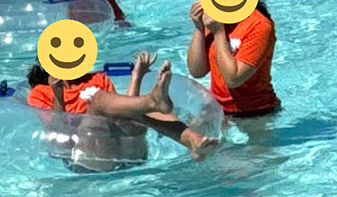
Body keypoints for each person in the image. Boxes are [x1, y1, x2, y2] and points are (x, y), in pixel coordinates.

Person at [27, 53, 218, 172]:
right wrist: (58, 96)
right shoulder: (40, 92)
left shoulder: (97, 78)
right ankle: (154, 101)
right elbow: (56, 132)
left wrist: (137, 76)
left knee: (139, 110)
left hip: (126, 153)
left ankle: (192, 140)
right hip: (86, 159)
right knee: (100, 100)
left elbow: (123, 109)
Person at [187, 0, 280, 117]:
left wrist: (219, 32)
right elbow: (197, 71)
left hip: (256, 112)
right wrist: (199, 27)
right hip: (218, 109)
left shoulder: (259, 25)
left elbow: (234, 80)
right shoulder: (215, 18)